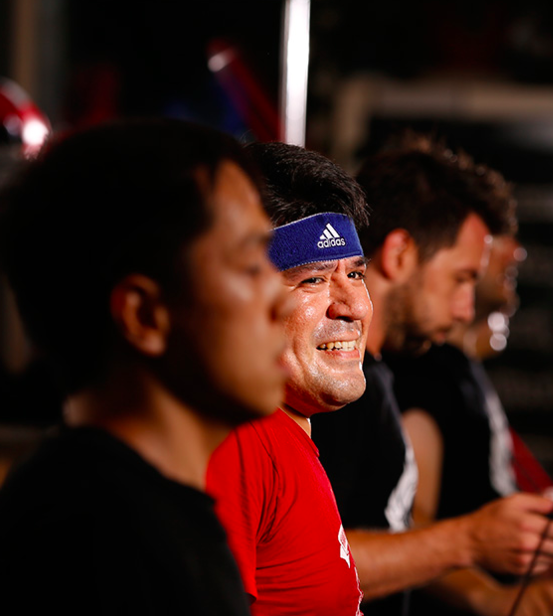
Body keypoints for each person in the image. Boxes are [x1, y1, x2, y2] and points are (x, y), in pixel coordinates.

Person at [0, 120, 288, 615]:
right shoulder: (97, 533)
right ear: (143, 315)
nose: (283, 301)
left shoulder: (143, 511)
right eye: (250, 266)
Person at [310, 137, 553, 616]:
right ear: (400, 254)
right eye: (461, 279)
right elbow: (309, 558)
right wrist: (470, 540)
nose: (465, 309)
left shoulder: (373, 381)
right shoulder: (337, 387)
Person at [205, 142, 371, 616]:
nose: (355, 306)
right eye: (313, 280)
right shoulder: (240, 441)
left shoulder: (280, 440)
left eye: (356, 275)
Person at [391, 205, 553, 616]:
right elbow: (407, 523)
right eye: (497, 236)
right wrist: (490, 596)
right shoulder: (426, 373)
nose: (516, 253)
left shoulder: (460, 370)